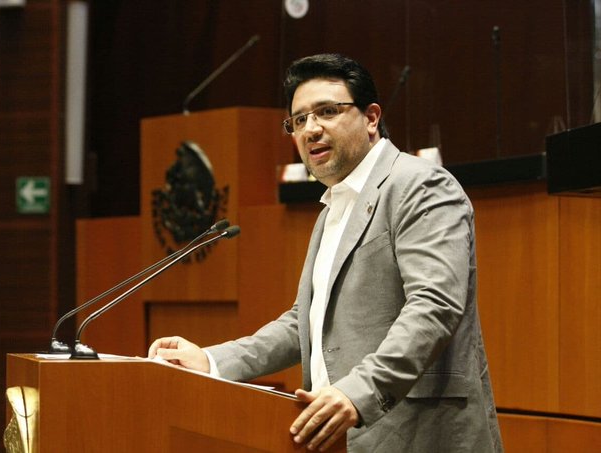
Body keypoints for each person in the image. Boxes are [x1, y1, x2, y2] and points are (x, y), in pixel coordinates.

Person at [149, 53, 503, 453]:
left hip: (421, 436)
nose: (311, 129)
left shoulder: (420, 185)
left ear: (371, 118)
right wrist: (213, 361)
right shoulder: (334, 206)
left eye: (328, 112)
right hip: (338, 438)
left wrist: (358, 392)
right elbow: (305, 321)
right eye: (299, 120)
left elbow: (434, 306)